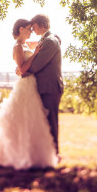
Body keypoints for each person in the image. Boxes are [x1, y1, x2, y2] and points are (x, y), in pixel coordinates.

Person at [0, 18, 58, 170]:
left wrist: (37, 49)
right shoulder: (18, 46)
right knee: (24, 118)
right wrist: (34, 55)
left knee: (33, 119)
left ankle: (35, 154)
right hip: (26, 84)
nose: (31, 31)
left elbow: (42, 48)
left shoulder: (25, 45)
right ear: (21, 29)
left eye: (33, 28)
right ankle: (21, 154)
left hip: (32, 84)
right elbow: (23, 69)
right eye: (29, 29)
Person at [21, 14, 63, 158]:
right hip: (45, 87)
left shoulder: (50, 41)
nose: (32, 29)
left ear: (40, 25)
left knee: (51, 121)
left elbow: (38, 65)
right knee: (45, 121)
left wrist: (23, 71)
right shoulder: (47, 39)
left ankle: (54, 154)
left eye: (33, 27)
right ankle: (47, 154)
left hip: (50, 87)